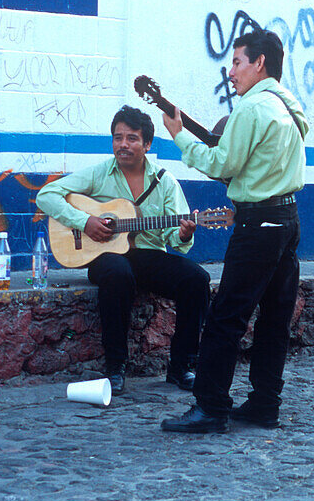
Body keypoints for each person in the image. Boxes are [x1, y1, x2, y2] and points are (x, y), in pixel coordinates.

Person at [160, 29, 308, 434]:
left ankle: (210, 407)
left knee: (226, 317)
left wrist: (178, 134)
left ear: (259, 63)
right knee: (275, 319)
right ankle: (264, 404)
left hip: (257, 225)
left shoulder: (251, 107)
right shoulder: (289, 106)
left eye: (238, 61)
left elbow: (222, 164)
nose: (231, 71)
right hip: (287, 222)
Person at [36, 105, 211, 394]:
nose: (123, 145)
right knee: (117, 272)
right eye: (118, 138)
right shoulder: (100, 173)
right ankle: (115, 367)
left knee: (197, 280)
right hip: (104, 256)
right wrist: (85, 220)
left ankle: (182, 367)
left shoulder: (164, 182)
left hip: (149, 255)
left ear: (147, 144)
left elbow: (175, 239)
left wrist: (183, 232)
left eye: (131, 138)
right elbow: (47, 195)